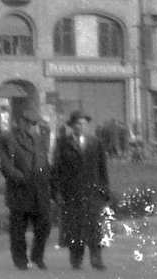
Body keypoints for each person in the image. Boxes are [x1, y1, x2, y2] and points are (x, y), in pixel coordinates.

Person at [52, 111, 112, 271]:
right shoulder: (63, 143)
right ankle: (76, 260)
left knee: (94, 228)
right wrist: (56, 191)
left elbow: (102, 168)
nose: (81, 126)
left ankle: (96, 260)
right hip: (71, 192)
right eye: (78, 124)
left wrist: (105, 189)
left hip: (92, 192)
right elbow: (57, 169)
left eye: (83, 124)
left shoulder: (95, 143)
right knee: (74, 228)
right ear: (72, 126)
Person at [0, 107, 55, 271]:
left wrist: (49, 180)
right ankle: (20, 260)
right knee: (18, 229)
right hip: (20, 190)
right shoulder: (10, 138)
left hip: (40, 190)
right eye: (28, 122)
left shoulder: (39, 138)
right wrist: (18, 176)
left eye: (34, 123)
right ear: (21, 122)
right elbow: (5, 164)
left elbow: (45, 161)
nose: (31, 126)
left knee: (44, 226)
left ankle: (37, 256)